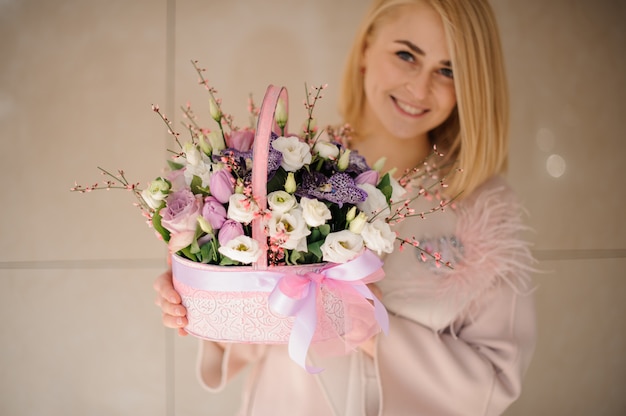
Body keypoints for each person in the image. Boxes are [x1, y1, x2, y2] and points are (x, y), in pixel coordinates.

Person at [154, 0, 537, 414]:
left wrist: (374, 333)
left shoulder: (484, 209)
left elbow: (495, 383)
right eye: (406, 55)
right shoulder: (291, 167)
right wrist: (203, 291)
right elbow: (253, 329)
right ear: (367, 50)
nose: (420, 88)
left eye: (448, 70)